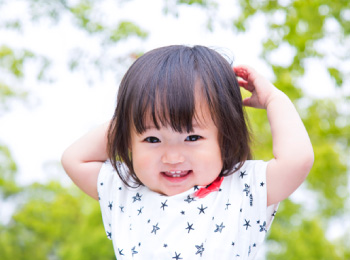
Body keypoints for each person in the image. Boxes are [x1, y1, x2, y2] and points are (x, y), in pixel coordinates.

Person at [61, 45, 314, 259]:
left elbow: (297, 161)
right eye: (152, 138)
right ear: (129, 138)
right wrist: (133, 112)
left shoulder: (241, 188)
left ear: (224, 137)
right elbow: (73, 159)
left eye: (192, 137)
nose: (172, 157)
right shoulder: (125, 189)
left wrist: (274, 99)